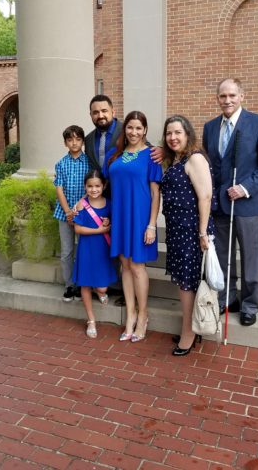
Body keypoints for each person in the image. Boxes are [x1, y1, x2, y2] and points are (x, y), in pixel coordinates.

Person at [203, 78, 258, 326]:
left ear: (242, 96)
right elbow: (208, 165)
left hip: (248, 204)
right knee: (223, 257)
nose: (227, 100)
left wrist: (245, 188)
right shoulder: (210, 127)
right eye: (223, 96)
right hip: (219, 206)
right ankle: (227, 299)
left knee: (250, 257)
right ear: (217, 98)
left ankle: (249, 305)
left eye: (232, 95)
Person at [105, 111, 162, 343]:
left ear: (145, 130)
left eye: (139, 128)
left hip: (140, 217)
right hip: (119, 216)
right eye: (130, 127)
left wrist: (151, 225)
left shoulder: (152, 155)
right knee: (125, 266)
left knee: (137, 266)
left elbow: (155, 194)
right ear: (124, 129)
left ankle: (143, 315)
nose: (134, 132)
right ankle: (129, 316)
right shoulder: (114, 155)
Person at [160, 115, 215, 356]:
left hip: (192, 232)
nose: (173, 137)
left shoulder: (195, 159)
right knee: (186, 283)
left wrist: (203, 232)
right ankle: (191, 327)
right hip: (177, 230)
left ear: (187, 134)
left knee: (187, 283)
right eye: (169, 133)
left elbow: (205, 196)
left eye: (177, 133)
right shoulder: (175, 160)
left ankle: (189, 334)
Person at [72, 169, 118, 338]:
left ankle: (101, 292)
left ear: (103, 186)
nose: (94, 189)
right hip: (86, 249)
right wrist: (99, 230)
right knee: (85, 283)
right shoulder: (81, 205)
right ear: (85, 187)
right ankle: (91, 320)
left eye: (97, 186)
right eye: (90, 186)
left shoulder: (110, 203)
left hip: (103, 249)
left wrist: (108, 222)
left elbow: (113, 222)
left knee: (102, 285)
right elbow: (77, 228)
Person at [53, 125, 90, 302]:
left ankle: (83, 284)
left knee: (83, 250)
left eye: (77, 139)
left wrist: (78, 207)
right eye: (70, 140)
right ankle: (69, 285)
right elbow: (59, 188)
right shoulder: (61, 164)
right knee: (67, 251)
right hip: (64, 213)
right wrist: (68, 211)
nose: (74, 143)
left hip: (84, 213)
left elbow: (92, 187)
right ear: (65, 142)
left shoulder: (89, 162)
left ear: (82, 141)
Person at [85, 95, 123, 171]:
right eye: (96, 112)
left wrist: (154, 150)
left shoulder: (127, 131)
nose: (100, 116)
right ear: (91, 115)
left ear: (113, 112)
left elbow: (145, 147)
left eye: (104, 111)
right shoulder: (88, 139)